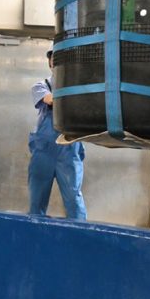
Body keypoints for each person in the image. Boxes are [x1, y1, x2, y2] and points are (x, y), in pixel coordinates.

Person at [28, 48, 87, 219]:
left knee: (74, 200)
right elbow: (50, 99)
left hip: (69, 151)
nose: (57, 62)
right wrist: (74, 95)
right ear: (50, 63)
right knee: (36, 200)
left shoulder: (78, 87)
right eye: (55, 58)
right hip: (43, 152)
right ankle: (35, 236)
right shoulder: (41, 86)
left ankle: (80, 237)